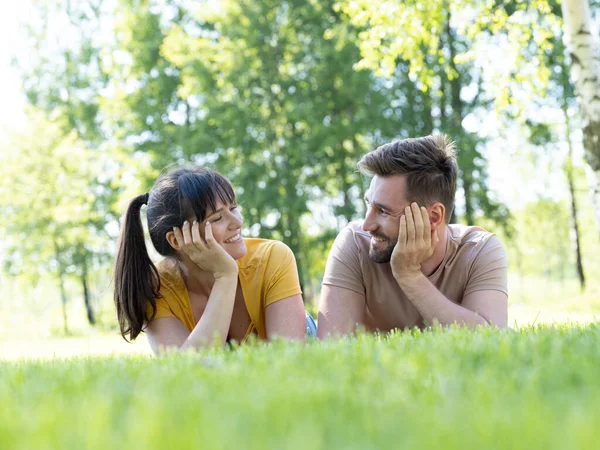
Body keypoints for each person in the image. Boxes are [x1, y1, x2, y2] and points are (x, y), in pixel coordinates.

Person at [318, 134, 508, 338]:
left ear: (433, 217)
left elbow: (491, 340)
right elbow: (331, 346)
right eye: (368, 204)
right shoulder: (354, 244)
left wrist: (409, 275)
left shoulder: (480, 251)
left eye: (383, 211)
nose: (367, 225)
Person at [114, 167, 309, 354]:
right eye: (217, 219)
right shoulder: (157, 286)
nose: (238, 222)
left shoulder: (272, 257)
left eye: (233, 208)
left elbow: (289, 356)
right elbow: (186, 371)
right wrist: (225, 276)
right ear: (177, 240)